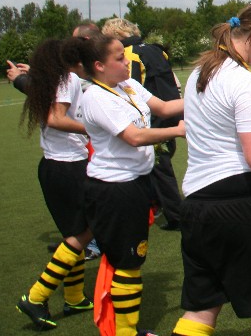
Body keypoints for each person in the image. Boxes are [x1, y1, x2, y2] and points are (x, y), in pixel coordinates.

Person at [169, 2, 251, 336]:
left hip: (198, 209)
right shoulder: (245, 82)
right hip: (241, 211)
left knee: (200, 311)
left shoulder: (200, 73)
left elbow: (222, 139)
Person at [73, 33, 186, 336]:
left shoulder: (128, 84)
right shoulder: (96, 97)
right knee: (128, 261)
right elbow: (134, 137)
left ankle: (126, 329)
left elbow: (163, 108)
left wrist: (204, 98)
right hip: (114, 189)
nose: (128, 61)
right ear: (99, 65)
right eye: (119, 58)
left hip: (136, 182)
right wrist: (177, 131)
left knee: (133, 257)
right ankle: (125, 331)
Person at [15, 38, 95, 330]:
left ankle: (74, 297)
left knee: (73, 233)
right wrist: (93, 128)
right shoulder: (68, 79)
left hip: (52, 166)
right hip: (69, 167)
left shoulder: (50, 80)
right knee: (85, 231)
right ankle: (36, 296)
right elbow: (55, 118)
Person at [102, 18, 184, 231]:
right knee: (159, 166)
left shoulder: (130, 54)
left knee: (159, 168)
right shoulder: (156, 50)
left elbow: (129, 90)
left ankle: (176, 215)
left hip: (151, 118)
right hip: (168, 112)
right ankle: (160, 206)